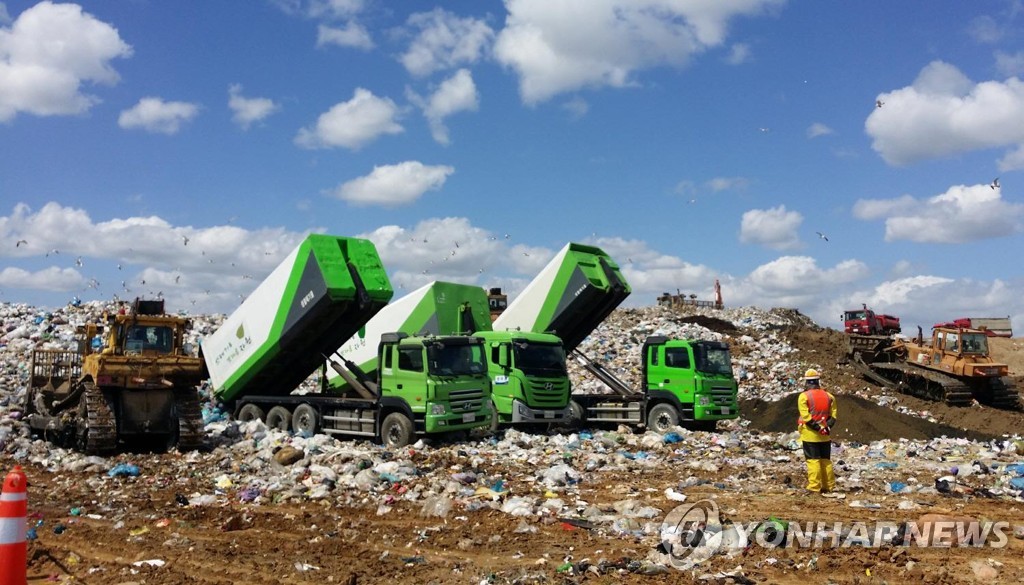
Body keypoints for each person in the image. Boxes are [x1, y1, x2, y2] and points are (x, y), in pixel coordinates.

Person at [797, 368, 839, 496]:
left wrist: (817, 428)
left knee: (813, 460)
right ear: (818, 381)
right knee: (826, 460)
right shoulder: (829, 396)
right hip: (825, 435)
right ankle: (829, 486)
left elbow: (806, 417)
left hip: (810, 435)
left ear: (807, 382)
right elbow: (833, 416)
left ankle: (814, 487)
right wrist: (826, 428)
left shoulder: (804, 396)